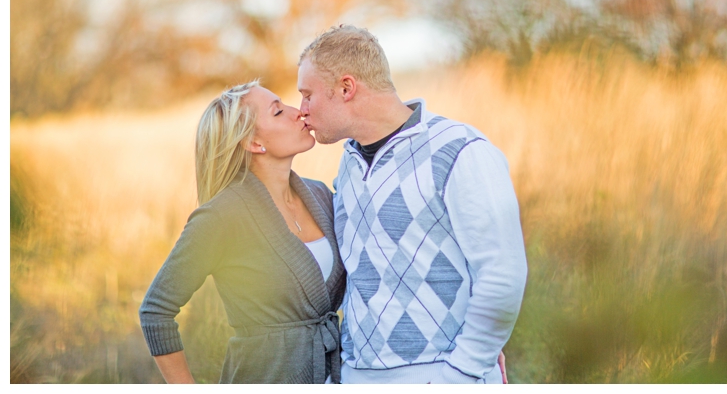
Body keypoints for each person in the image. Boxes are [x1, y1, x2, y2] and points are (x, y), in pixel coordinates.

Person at [297, 25, 528, 384]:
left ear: (346, 88)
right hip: (356, 375)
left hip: (440, 373)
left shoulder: (460, 149)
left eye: (307, 95)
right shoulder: (349, 163)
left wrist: (464, 372)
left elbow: (503, 275)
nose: (302, 110)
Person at [138, 80, 346, 383]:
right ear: (253, 142)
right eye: (278, 112)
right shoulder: (223, 216)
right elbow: (155, 312)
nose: (298, 112)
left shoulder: (321, 195)